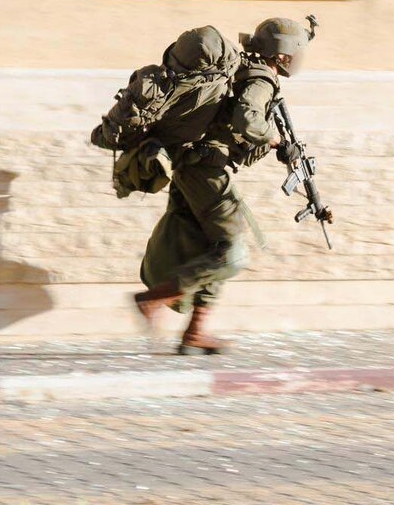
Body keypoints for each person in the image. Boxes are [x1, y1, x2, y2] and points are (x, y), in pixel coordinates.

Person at [129, 18, 314, 355]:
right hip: (206, 171)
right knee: (231, 251)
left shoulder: (245, 70)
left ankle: (196, 332)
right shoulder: (260, 79)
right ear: (284, 55)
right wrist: (275, 140)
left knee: (212, 246)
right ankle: (154, 299)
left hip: (192, 164)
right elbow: (246, 119)